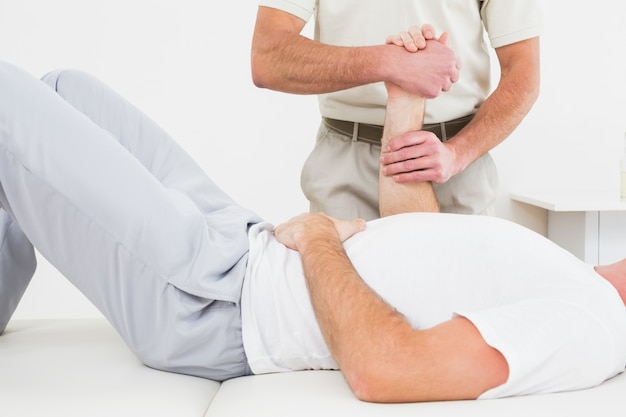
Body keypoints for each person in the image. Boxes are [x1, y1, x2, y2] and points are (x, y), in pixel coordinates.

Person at [1, 61, 625, 404]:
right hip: (239, 243)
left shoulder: (596, 325)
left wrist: (323, 239)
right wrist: (403, 98)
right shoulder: (575, 278)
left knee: (11, 98)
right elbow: (423, 251)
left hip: (215, 302)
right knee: (64, 88)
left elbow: (387, 369)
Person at [250, 1, 543, 219]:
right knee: (344, 297)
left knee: (460, 296)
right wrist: (388, 62)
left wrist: (458, 153)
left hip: (454, 162)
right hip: (346, 164)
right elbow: (268, 57)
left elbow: (523, 75)